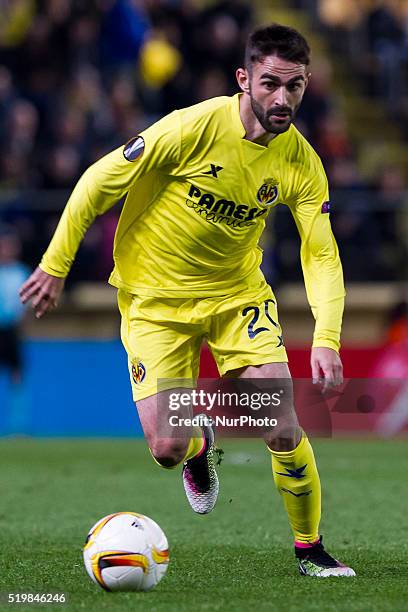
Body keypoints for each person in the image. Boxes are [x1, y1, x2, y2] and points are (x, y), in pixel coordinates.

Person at [20, 24, 355, 577]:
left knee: (281, 424)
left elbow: (320, 254)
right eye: (269, 83)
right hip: (154, 302)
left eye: (293, 86)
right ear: (243, 79)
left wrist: (327, 337)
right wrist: (54, 265)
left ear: (306, 84)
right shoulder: (192, 127)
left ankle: (310, 548)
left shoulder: (301, 161)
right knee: (166, 447)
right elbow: (97, 181)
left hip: (236, 298)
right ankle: (198, 444)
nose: (282, 99)